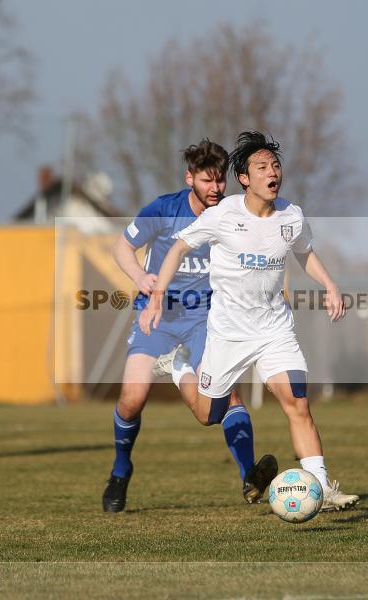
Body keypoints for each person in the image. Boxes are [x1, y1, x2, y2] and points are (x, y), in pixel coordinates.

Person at [140, 131, 359, 512]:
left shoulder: (291, 216)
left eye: (275, 165)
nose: (272, 172)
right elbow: (177, 247)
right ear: (244, 178)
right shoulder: (222, 216)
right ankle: (178, 367)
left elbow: (305, 253)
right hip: (228, 333)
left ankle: (321, 490)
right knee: (209, 414)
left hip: (275, 328)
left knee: (298, 403)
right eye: (262, 167)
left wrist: (330, 285)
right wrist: (157, 293)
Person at [103, 140, 277, 513]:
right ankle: (121, 469)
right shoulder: (165, 210)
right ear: (190, 178)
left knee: (218, 405)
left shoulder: (234, 214)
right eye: (207, 180)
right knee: (132, 399)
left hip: (208, 320)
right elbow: (120, 248)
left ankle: (250, 476)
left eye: (220, 181)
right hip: (158, 315)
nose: (215, 189)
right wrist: (141, 278)